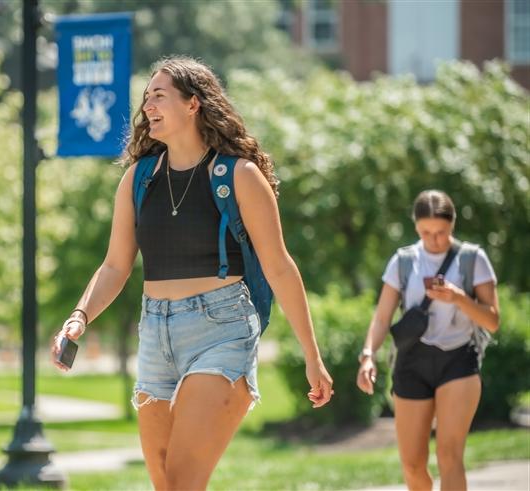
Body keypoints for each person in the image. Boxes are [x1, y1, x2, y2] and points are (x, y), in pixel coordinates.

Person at [51, 56, 333, 489]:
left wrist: (312, 357)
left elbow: (279, 266)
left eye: (159, 95)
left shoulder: (239, 175)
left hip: (221, 329)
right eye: (146, 97)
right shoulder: (138, 179)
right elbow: (115, 265)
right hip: (155, 332)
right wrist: (79, 316)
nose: (148, 105)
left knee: (183, 480)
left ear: (193, 104)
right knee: (165, 482)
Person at [356, 190, 499, 491]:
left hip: (458, 360)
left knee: (449, 455)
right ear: (416, 227)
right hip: (412, 362)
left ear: (453, 225)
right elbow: (382, 318)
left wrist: (459, 297)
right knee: (412, 465)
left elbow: (492, 321)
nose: (434, 240)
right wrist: (368, 355)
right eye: (426, 232)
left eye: (442, 232)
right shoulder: (404, 261)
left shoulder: (473, 259)